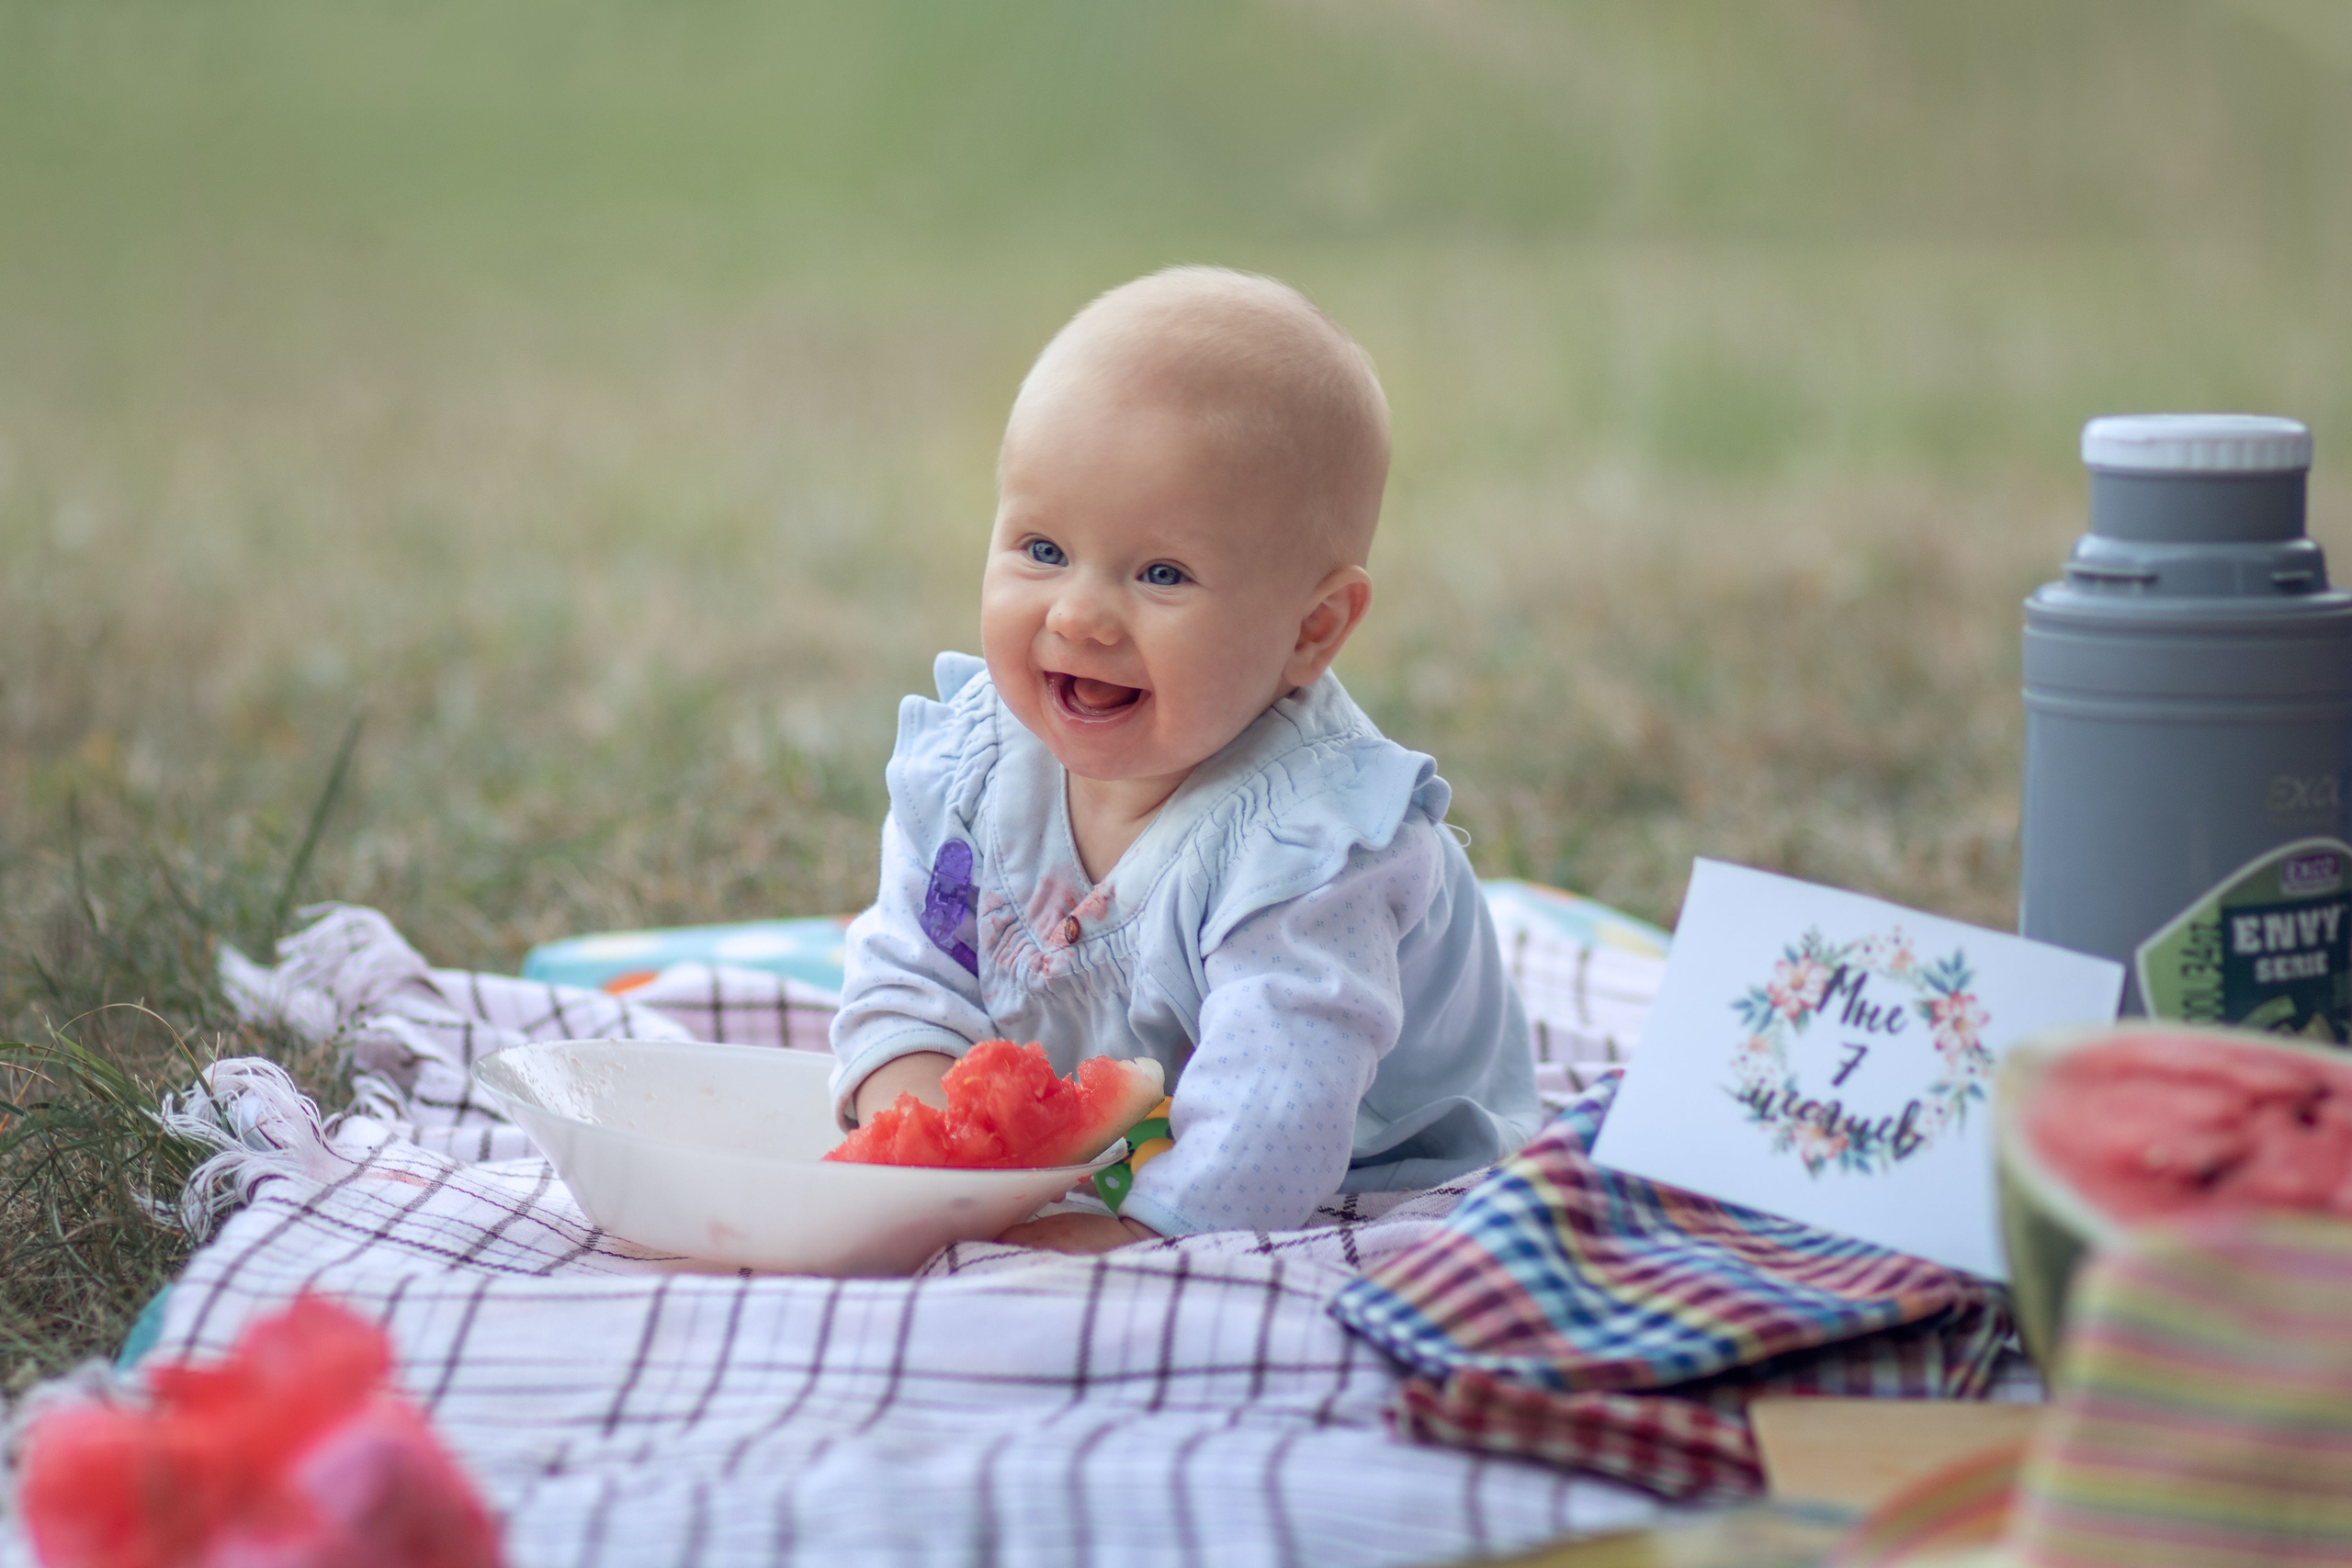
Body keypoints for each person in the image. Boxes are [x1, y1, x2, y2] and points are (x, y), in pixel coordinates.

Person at [829, 265, 1540, 1253]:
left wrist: (1130, 1238)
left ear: (1312, 628)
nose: (1079, 614)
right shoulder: (972, 768)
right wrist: (924, 1133)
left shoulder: (1313, 848)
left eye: (1162, 573)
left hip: (1359, 1178)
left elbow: (1277, 1110)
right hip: (1123, 1158)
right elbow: (913, 969)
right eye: (1042, 549)